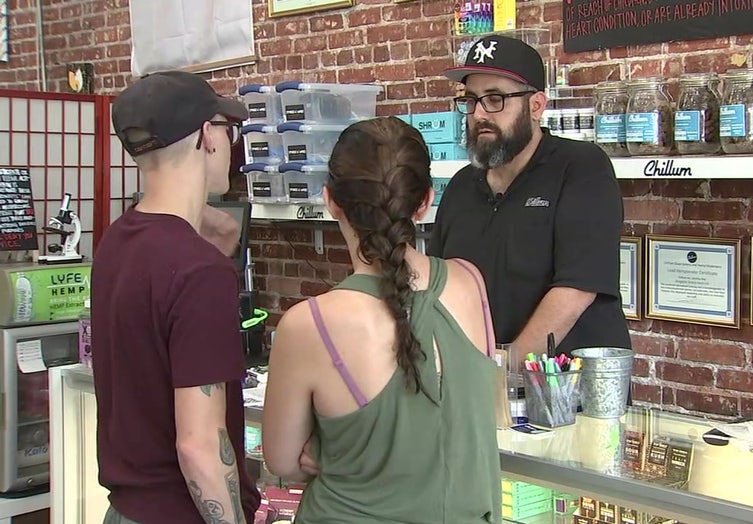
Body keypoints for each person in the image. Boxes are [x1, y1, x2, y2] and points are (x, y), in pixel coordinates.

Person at [262, 116, 502, 523]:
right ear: (425, 201)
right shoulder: (470, 282)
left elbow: (283, 461)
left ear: (330, 200)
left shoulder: (309, 325)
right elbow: (475, 416)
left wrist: (329, 448)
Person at [92, 70, 260, 524]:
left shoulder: (117, 242)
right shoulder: (198, 271)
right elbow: (199, 445)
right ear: (208, 134)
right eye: (230, 129)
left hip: (125, 510)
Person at [429, 35, 632, 360]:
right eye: (471, 100)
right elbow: (440, 286)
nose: (479, 113)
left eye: (495, 99)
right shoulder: (460, 187)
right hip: (480, 386)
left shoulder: (581, 168)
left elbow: (575, 289)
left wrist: (504, 366)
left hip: (568, 391)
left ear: (536, 105)